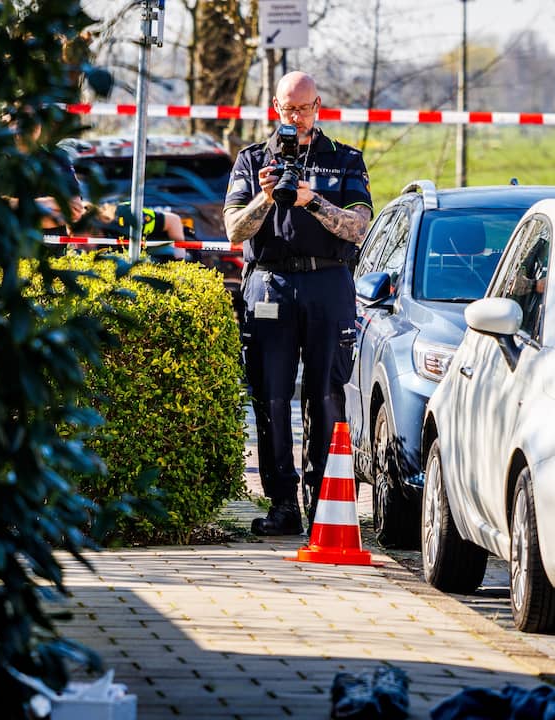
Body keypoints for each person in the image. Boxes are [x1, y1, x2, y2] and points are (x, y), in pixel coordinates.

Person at [223, 71, 373, 536]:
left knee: (326, 395)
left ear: (318, 106)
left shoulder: (345, 159)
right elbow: (233, 230)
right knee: (270, 396)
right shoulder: (252, 161)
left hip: (327, 282)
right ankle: (282, 504)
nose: (295, 117)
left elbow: (359, 227)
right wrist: (266, 199)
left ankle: (322, 501)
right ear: (274, 107)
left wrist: (313, 201)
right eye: (288, 109)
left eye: (304, 108)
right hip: (270, 283)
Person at [3, 108, 84, 235]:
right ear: (9, 123)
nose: (29, 127)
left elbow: (75, 211)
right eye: (21, 120)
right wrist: (54, 203)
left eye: (34, 120)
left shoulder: (57, 157)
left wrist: (19, 209)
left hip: (53, 250)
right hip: (8, 248)